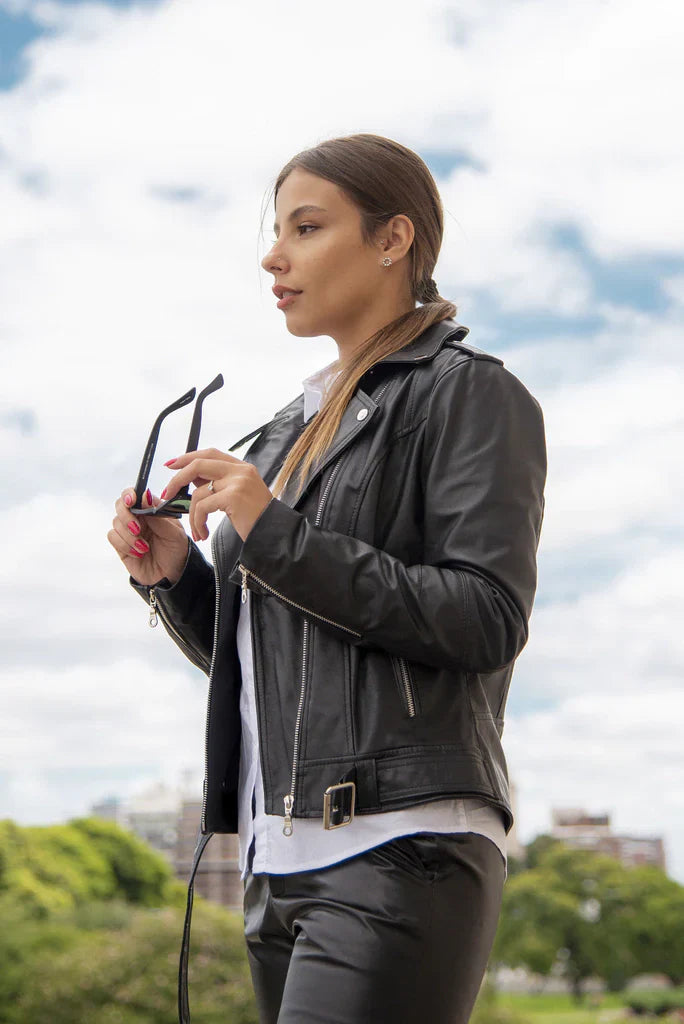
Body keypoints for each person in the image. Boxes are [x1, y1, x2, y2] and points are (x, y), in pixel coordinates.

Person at [108, 133, 547, 1024]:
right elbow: (276, 657)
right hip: (280, 864)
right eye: (277, 232)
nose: (274, 255)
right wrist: (176, 579)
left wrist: (270, 527)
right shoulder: (284, 433)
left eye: (306, 228)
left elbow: (485, 617)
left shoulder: (468, 393)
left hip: (401, 847)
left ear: (394, 240)